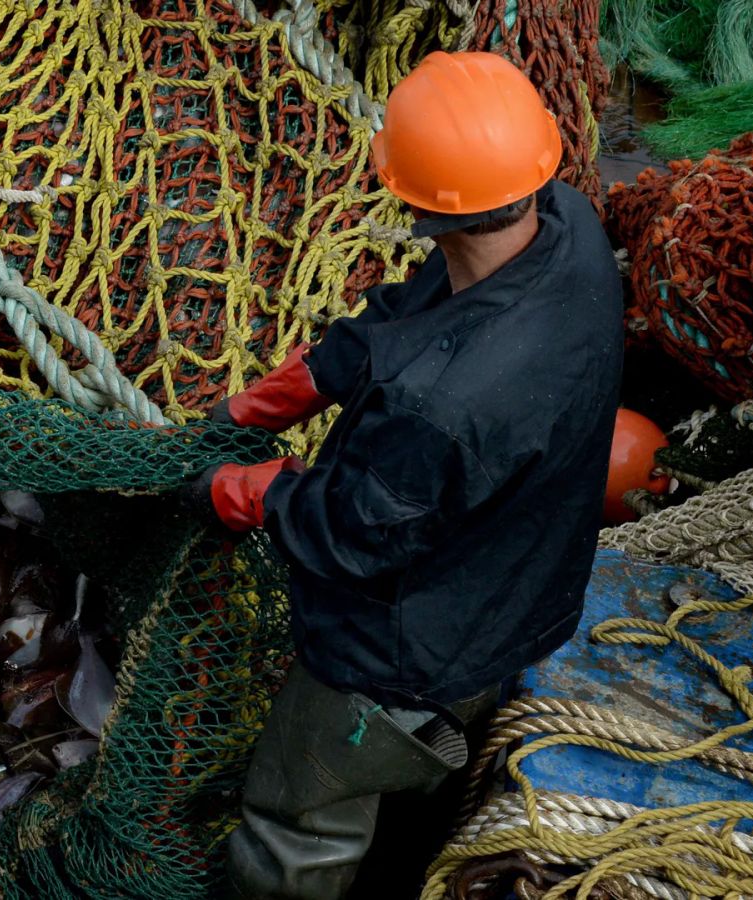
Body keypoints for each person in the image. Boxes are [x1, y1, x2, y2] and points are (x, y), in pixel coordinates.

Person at [189, 52, 624, 899]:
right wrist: (304, 381)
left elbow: (351, 534)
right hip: (516, 597)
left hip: (397, 653)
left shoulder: (441, 408)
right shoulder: (567, 227)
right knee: (428, 785)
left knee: (300, 816)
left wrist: (245, 489)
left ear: (420, 205)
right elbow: (428, 307)